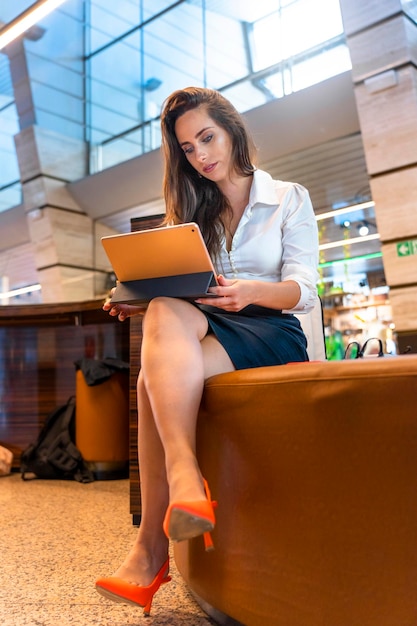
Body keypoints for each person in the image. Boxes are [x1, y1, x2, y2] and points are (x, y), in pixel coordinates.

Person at [95, 86, 319, 615]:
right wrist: (135, 294)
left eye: (206, 138)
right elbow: (181, 290)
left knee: (154, 379)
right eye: (189, 149)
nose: (201, 155)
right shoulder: (193, 213)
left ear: (232, 130)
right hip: (210, 327)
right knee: (162, 312)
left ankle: (151, 549)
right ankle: (183, 478)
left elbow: (303, 289)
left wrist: (251, 292)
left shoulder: (288, 196)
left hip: (272, 328)